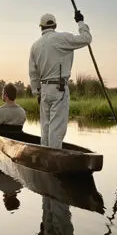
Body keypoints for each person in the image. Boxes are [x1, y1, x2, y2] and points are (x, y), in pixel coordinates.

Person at [29, 10, 92, 149]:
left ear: (41, 27)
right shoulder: (63, 38)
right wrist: (80, 22)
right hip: (59, 89)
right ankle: (53, 158)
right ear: (55, 25)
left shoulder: (35, 46)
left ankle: (44, 156)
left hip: (44, 90)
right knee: (56, 128)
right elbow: (86, 38)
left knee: (45, 128)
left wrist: (37, 92)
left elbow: (33, 74)